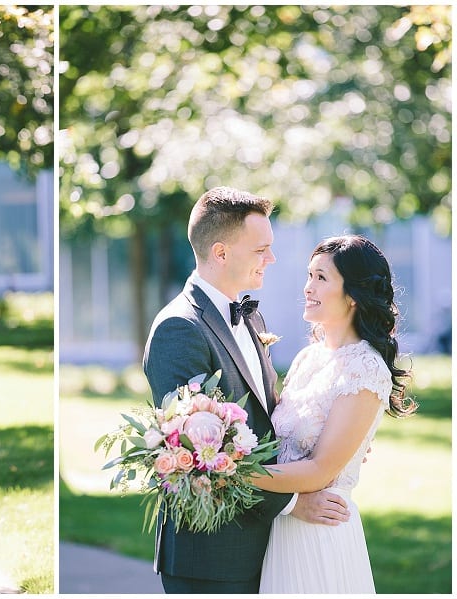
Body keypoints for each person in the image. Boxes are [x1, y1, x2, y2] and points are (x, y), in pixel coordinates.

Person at [143, 186, 351, 594]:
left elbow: (265, 421)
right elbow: (202, 456)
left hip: (268, 550)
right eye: (261, 250)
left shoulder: (251, 319)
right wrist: (294, 503)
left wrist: (333, 436)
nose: (271, 259)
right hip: (211, 555)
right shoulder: (179, 329)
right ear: (221, 253)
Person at [254, 235, 416, 593]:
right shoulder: (307, 358)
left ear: (354, 295)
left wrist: (231, 476)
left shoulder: (365, 368)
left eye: (322, 278)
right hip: (282, 527)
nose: (308, 287)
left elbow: (320, 470)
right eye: (309, 275)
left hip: (320, 534)